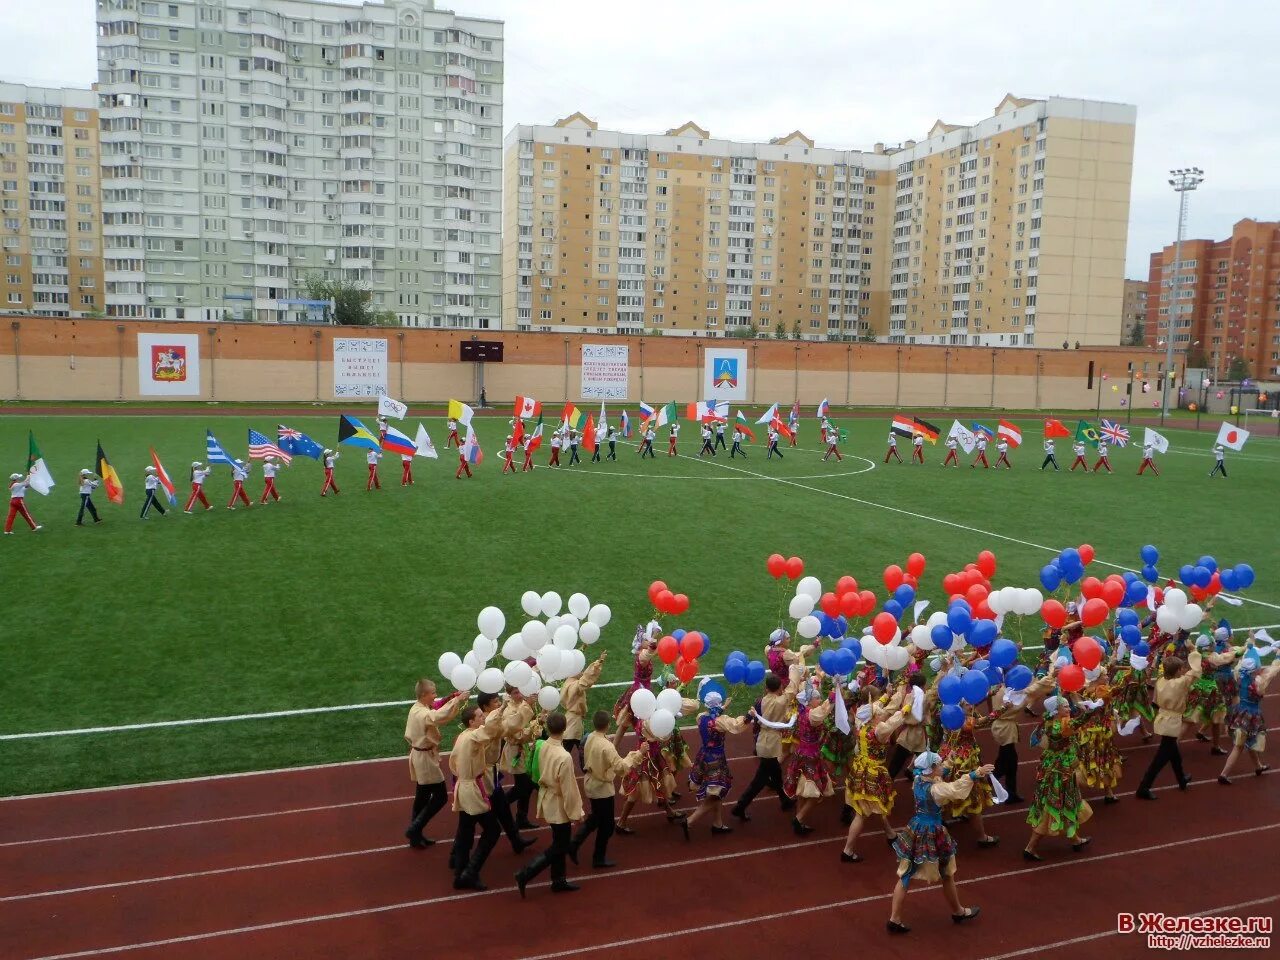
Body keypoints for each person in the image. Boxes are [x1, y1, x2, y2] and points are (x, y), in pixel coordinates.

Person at [886, 752, 990, 934]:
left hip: (916, 828)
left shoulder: (918, 780)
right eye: (939, 764)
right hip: (933, 832)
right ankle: (958, 911)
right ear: (933, 769)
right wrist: (975, 773)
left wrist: (949, 760)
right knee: (947, 873)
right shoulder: (936, 789)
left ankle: (894, 918)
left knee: (905, 875)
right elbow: (955, 789)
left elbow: (940, 777)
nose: (942, 766)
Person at [515, 713, 585, 897]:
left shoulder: (543, 745)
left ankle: (558, 879)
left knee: (559, 841)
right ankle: (526, 874)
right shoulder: (564, 756)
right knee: (560, 845)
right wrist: (576, 813)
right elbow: (568, 789)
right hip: (558, 802)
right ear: (565, 729)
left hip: (547, 797)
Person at [840, 686, 907, 862]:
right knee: (862, 813)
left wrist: (888, 695)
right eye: (878, 714)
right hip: (872, 773)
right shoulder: (878, 731)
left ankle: (890, 834)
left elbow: (876, 707)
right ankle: (847, 850)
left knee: (875, 804)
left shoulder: (861, 723)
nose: (880, 715)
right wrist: (907, 705)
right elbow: (895, 721)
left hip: (859, 769)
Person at [568, 711, 643, 869]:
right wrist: (639, 754)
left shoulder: (588, 737)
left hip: (591, 782)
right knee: (607, 826)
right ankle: (598, 857)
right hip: (601, 788)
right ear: (608, 725)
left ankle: (574, 844)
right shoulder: (607, 746)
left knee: (595, 817)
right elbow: (622, 769)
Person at [1022, 696, 1093, 860]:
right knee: (1053, 806)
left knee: (1064, 803)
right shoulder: (1057, 726)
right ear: (1056, 710)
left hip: (1055, 768)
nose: (1068, 709)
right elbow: (1076, 724)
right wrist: (1092, 710)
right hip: (1059, 772)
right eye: (1065, 707)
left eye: (1068, 706)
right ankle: (1030, 847)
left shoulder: (1050, 721)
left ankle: (1075, 840)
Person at [448, 703, 506, 890]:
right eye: (480, 716)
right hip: (472, 789)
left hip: (464, 786)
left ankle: (459, 873)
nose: (483, 718)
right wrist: (501, 709)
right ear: (471, 722)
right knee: (493, 830)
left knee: (466, 830)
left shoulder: (463, 737)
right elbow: (489, 730)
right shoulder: (473, 736)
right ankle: (471, 873)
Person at [403, 680, 466, 848]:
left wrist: (451, 697)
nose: (435, 695)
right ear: (424, 695)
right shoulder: (423, 714)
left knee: (422, 796)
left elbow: (436, 706)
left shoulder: (418, 707)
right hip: (425, 760)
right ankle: (415, 828)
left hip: (420, 756)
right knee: (440, 796)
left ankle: (415, 834)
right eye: (433, 692)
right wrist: (457, 701)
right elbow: (439, 716)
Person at [1136, 651, 1202, 799]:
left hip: (1163, 718)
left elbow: (1155, 702)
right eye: (1181, 668)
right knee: (1161, 758)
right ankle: (1144, 787)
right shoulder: (1180, 683)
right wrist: (1194, 651)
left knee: (1173, 752)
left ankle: (1181, 778)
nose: (1184, 670)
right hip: (1171, 722)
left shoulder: (1160, 681)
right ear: (1178, 671)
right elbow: (1196, 670)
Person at [732, 673, 798, 820]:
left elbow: (749, 717)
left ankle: (784, 800)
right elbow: (793, 689)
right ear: (780, 687)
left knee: (775, 773)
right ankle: (740, 806)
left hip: (763, 739)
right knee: (759, 781)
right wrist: (795, 668)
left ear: (766, 688)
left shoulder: (761, 701)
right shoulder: (782, 701)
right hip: (771, 743)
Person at [685, 689, 750, 836]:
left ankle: (717, 823)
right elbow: (736, 726)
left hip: (703, 756)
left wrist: (722, 707)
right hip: (716, 759)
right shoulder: (721, 721)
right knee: (716, 793)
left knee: (716, 791)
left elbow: (714, 716)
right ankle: (690, 821)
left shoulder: (701, 718)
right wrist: (749, 716)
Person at [1219, 643, 1279, 784]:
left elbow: (1241, 662)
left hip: (1240, 712)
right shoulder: (1258, 683)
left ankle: (1258, 766)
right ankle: (1224, 774)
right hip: (1252, 716)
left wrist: (1249, 648)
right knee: (1239, 746)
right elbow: (1272, 671)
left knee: (1247, 741)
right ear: (1254, 671)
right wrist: (1278, 655)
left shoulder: (1238, 676)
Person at [782, 682, 833, 834]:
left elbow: (822, 710)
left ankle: (800, 821)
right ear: (810, 701)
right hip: (811, 756)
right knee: (817, 791)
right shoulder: (812, 714)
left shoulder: (803, 711)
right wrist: (833, 697)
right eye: (817, 699)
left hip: (801, 753)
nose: (819, 700)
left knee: (801, 789)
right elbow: (823, 712)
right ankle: (798, 818)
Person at [501, 689, 542, 830]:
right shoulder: (509, 710)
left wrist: (539, 721)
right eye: (515, 692)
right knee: (523, 786)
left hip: (525, 750)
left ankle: (521, 817)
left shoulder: (523, 705)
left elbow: (531, 728)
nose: (519, 695)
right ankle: (500, 806)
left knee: (527, 787)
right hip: (516, 751)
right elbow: (518, 735)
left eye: (520, 691)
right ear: (510, 694)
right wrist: (528, 708)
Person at [612, 624, 658, 747]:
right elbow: (652, 649)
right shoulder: (642, 657)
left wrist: (654, 633)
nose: (647, 642)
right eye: (645, 640)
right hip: (641, 693)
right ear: (640, 643)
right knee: (641, 723)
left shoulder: (642, 653)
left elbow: (651, 648)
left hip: (641, 691)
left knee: (625, 724)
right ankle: (644, 751)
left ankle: (614, 747)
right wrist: (655, 634)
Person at [561, 651, 607, 765]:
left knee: (570, 752)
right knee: (583, 754)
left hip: (571, 721)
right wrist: (598, 663)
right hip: (574, 724)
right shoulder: (575, 686)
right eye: (579, 670)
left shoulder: (568, 682)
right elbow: (586, 680)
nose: (581, 672)